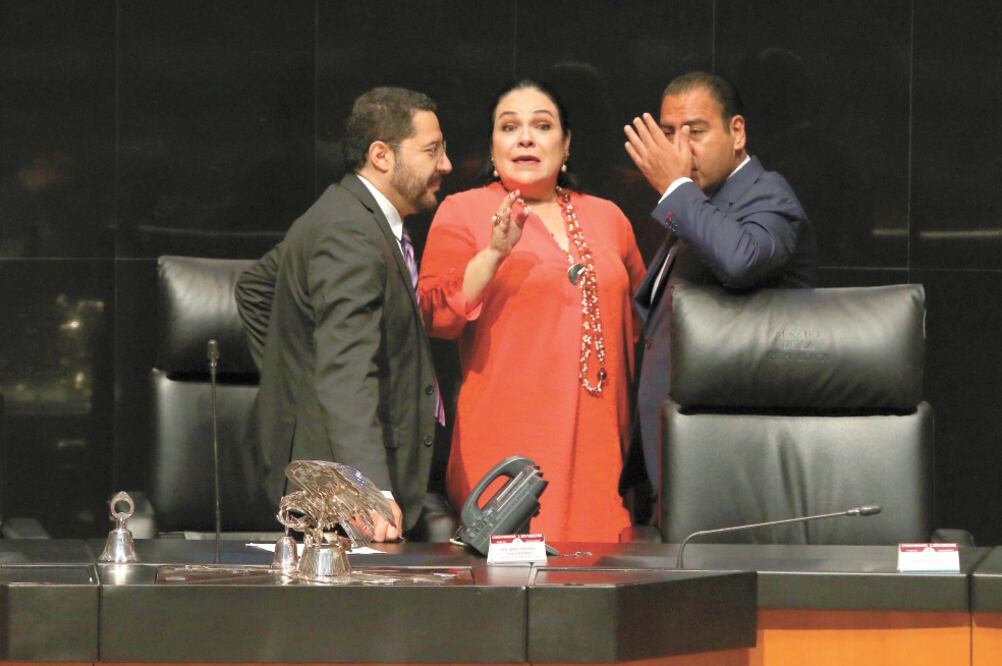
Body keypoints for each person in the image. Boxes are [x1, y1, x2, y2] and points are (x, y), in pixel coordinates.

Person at [418, 80, 646, 542]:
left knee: (598, 589)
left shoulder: (609, 217)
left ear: (566, 145)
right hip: (506, 446)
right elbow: (435, 316)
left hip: (599, 446)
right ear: (493, 146)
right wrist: (494, 253)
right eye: (509, 127)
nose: (525, 137)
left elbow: (644, 324)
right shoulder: (462, 211)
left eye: (542, 126)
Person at [235, 87, 452, 541]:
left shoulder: (343, 214)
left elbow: (255, 289)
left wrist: (294, 380)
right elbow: (346, 372)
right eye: (432, 151)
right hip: (335, 499)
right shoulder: (349, 232)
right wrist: (367, 491)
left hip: (330, 477)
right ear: (381, 156)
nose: (445, 165)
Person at [621, 71, 818, 518]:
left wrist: (675, 188)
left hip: (730, 466)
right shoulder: (702, 202)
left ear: (737, 132)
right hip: (672, 458)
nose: (678, 148)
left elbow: (741, 259)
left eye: (695, 131)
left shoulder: (767, 195)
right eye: (669, 133)